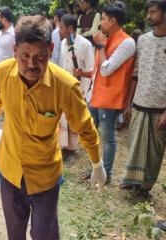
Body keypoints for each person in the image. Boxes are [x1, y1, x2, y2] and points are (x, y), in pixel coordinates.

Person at [0, 15, 105, 240]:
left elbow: (85, 126)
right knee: (15, 233)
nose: (32, 64)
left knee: (44, 234)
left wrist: (97, 163)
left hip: (44, 177)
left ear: (50, 50)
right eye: (25, 56)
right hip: (10, 171)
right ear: (14, 50)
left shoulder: (64, 85)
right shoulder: (3, 73)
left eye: (40, 56)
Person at [84, 1, 136, 183]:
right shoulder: (105, 39)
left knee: (107, 139)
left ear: (113, 21)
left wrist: (100, 46)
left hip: (111, 100)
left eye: (103, 19)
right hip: (95, 97)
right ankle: (95, 170)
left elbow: (107, 70)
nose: (100, 23)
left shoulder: (127, 43)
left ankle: (105, 175)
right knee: (90, 135)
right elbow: (97, 70)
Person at [119, 0, 166, 198]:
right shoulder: (143, 40)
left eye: (153, 12)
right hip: (139, 102)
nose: (148, 16)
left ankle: (145, 188)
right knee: (135, 146)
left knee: (155, 154)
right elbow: (136, 73)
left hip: (160, 107)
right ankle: (131, 182)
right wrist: (129, 103)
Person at [58, 14, 95, 162]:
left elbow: (91, 69)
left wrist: (85, 90)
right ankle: (63, 145)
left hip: (79, 88)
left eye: (61, 27)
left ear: (70, 28)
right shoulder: (62, 44)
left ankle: (72, 149)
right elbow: (62, 65)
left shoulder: (85, 44)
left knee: (74, 118)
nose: (59, 30)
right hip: (64, 87)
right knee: (63, 118)